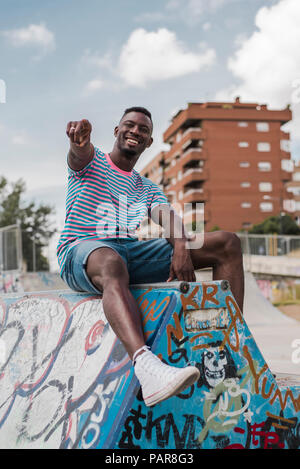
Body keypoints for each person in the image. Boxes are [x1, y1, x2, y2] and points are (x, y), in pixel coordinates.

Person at [57, 106, 244, 407]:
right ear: (117, 131)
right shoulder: (92, 161)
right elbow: (78, 156)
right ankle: (146, 366)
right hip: (81, 250)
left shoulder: (146, 188)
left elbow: (165, 216)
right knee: (111, 260)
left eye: (142, 130)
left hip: (127, 251)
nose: (135, 131)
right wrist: (78, 144)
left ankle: (231, 351)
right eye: (128, 126)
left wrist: (181, 247)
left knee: (227, 243)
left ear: (149, 142)